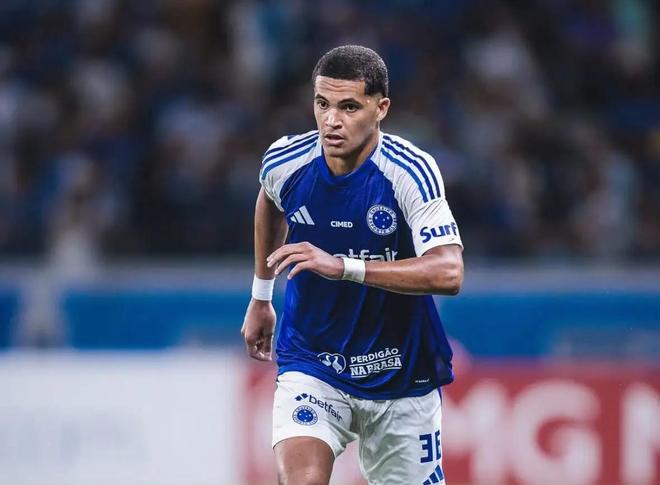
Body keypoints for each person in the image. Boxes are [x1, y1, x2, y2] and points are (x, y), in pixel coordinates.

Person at [241, 45, 463, 485]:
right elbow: (269, 200)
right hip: (314, 361)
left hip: (400, 373)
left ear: (381, 108)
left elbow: (449, 272)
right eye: (322, 104)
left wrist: (344, 266)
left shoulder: (410, 172)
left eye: (349, 107)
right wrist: (261, 295)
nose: (331, 121)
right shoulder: (286, 162)